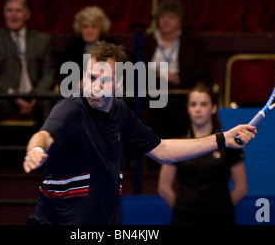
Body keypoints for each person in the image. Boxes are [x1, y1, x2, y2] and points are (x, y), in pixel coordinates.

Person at [22, 41, 256, 225]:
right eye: (90, 77)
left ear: (119, 82)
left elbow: (163, 150)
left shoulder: (121, 113)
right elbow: (45, 134)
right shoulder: (71, 109)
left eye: (105, 79)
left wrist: (222, 138)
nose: (95, 86)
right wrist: (36, 149)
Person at [0, 0, 55, 182]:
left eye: (18, 11)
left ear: (27, 14)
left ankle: (50, 159)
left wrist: (34, 97)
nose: (13, 15)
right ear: (4, 14)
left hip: (36, 98)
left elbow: (48, 74)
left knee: (51, 101)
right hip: (7, 99)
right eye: (9, 11)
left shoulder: (42, 40)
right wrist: (13, 95)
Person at [158, 83, 247, 225]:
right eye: (193, 104)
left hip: (221, 218)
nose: (198, 109)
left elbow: (241, 188)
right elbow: (164, 188)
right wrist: (183, 211)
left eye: (203, 104)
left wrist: (220, 210)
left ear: (213, 108)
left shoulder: (229, 144)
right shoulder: (177, 144)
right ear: (188, 109)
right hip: (184, 218)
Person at [142, 0, 210, 139]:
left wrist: (179, 78)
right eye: (162, 17)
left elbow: (202, 69)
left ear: (180, 21)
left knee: (168, 104)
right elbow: (138, 66)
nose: (165, 21)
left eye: (171, 17)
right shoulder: (147, 41)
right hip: (149, 90)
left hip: (179, 92)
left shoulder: (192, 42)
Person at [59, 6, 113, 91]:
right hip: (78, 94)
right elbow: (65, 78)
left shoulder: (110, 46)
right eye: (85, 26)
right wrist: (79, 84)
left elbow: (118, 75)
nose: (89, 30)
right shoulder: (72, 47)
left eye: (94, 26)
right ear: (80, 29)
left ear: (101, 28)